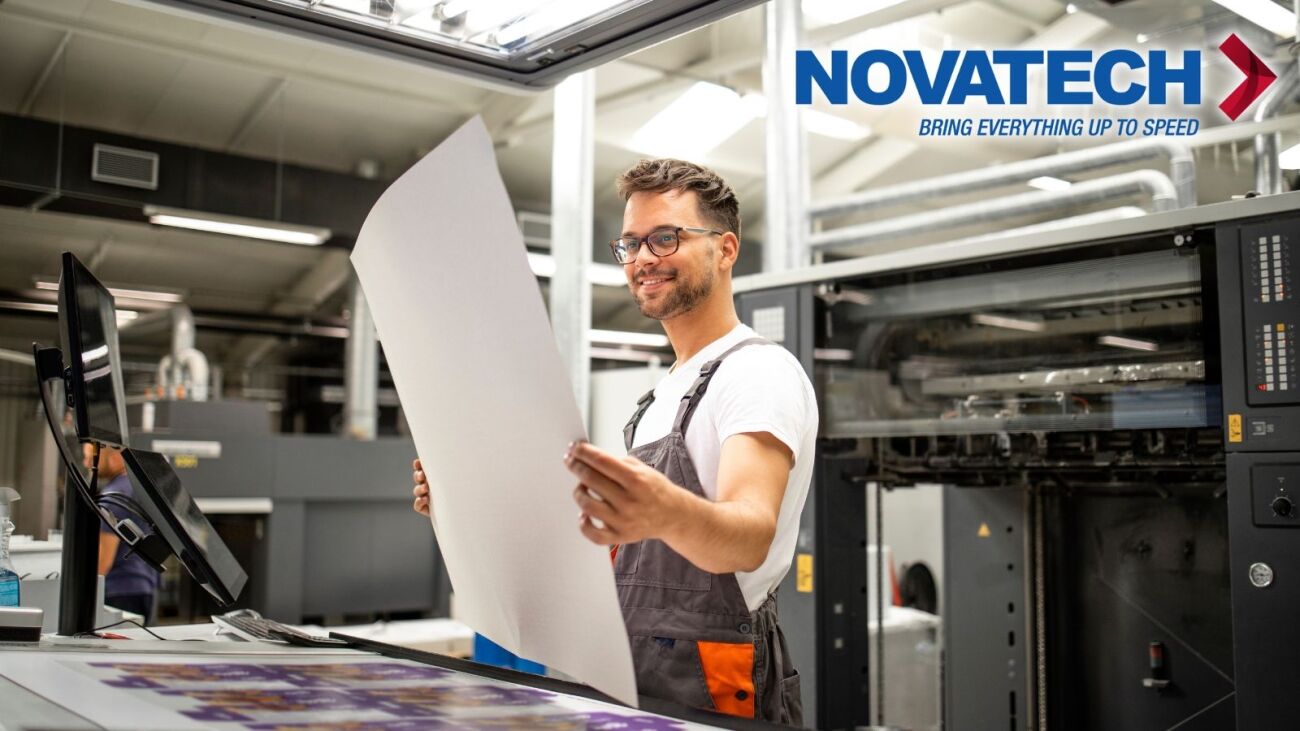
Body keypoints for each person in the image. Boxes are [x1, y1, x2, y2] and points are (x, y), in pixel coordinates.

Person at [413, 159, 815, 725]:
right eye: (630, 244)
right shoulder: (661, 396)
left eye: (665, 237)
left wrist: (664, 511)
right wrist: (465, 506)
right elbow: (618, 554)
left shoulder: (756, 373)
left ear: (725, 250)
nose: (643, 258)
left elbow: (749, 535)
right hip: (628, 669)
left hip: (710, 677)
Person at [85, 444, 161, 623]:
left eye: (93, 457)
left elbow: (103, 562)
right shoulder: (138, 488)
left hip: (118, 590)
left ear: (115, 458)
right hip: (144, 586)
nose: (87, 462)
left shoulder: (113, 496)